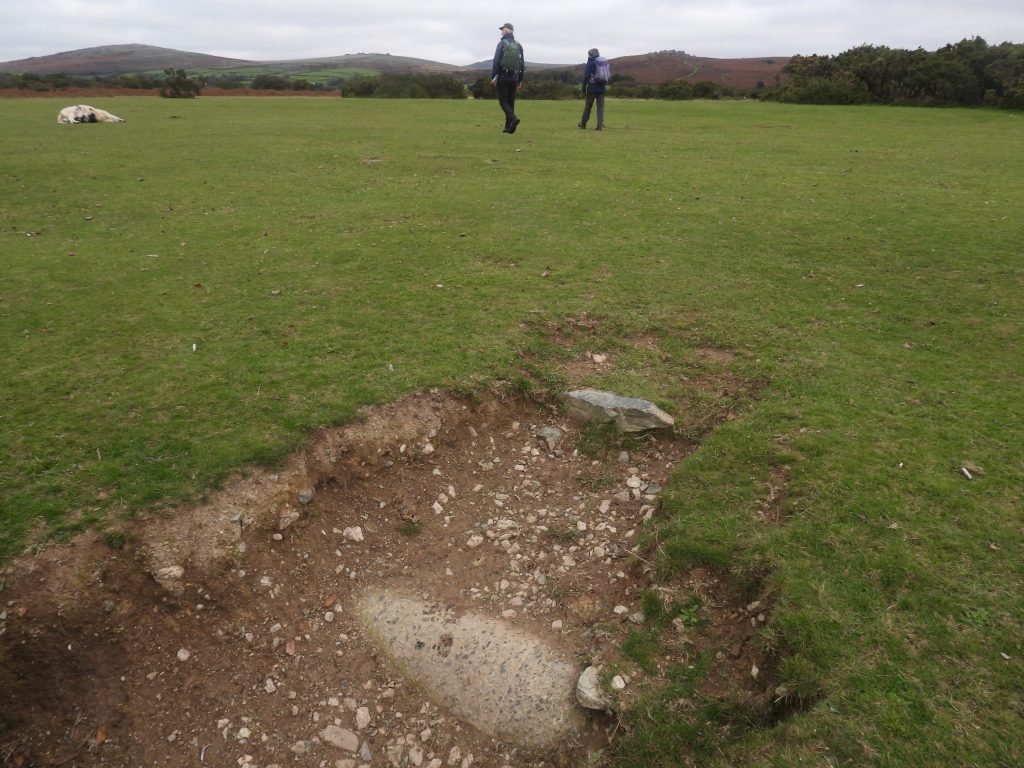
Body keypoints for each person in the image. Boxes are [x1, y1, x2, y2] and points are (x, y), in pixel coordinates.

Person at [491, 23, 524, 134]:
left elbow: (496, 61)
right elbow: (522, 64)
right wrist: (520, 80)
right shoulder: (519, 45)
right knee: (511, 102)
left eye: (502, 30)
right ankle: (509, 127)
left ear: (506, 30)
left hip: (503, 77)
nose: (501, 32)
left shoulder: (501, 44)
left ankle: (513, 119)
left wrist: (494, 76)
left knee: (503, 101)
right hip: (515, 77)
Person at [578, 48, 606, 131]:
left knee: (588, 106)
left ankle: (583, 124)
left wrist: (584, 87)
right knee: (600, 107)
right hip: (601, 87)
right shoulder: (602, 62)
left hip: (592, 87)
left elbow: (586, 76)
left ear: (591, 54)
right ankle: (600, 126)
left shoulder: (590, 62)